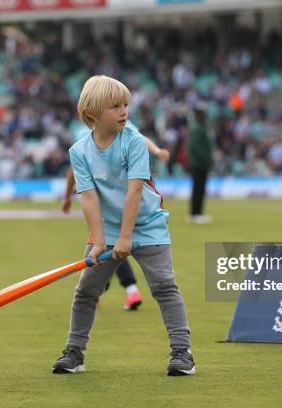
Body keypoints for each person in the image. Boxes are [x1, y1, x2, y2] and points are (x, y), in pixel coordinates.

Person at [52, 75, 194, 376]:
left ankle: (182, 354)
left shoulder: (133, 143)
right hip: (109, 229)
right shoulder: (79, 151)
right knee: (86, 291)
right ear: (91, 112)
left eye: (125, 105)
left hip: (147, 226)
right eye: (115, 106)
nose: (124, 112)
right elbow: (89, 199)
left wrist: (127, 237)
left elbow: (135, 191)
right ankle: (74, 353)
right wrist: (101, 241)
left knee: (165, 287)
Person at [62, 124, 170, 311]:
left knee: (108, 249)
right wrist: (158, 151)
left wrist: (66, 197)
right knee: (113, 250)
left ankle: (101, 290)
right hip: (126, 205)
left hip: (110, 209)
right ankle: (127, 290)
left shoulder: (89, 132)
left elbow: (74, 171)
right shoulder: (100, 132)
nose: (122, 112)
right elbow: (142, 139)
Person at [187, 102, 213, 224]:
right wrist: (207, 159)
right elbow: (196, 147)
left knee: (199, 189)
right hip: (199, 164)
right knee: (199, 189)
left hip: (199, 163)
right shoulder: (198, 128)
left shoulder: (199, 126)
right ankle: (196, 214)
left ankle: (196, 213)